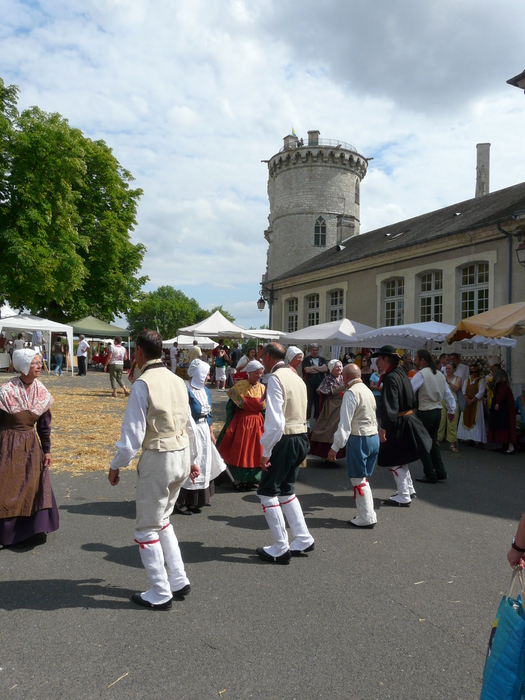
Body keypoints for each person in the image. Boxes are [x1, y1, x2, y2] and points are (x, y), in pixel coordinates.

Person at [108, 330, 200, 610]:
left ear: (137, 351)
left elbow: (132, 437)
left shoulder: (142, 383)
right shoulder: (177, 380)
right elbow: (189, 425)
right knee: (163, 519)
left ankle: (160, 591)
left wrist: (116, 464)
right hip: (182, 454)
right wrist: (194, 459)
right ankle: (178, 579)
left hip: (160, 458)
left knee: (147, 527)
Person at [257, 342, 314, 564]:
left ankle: (280, 547)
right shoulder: (297, 378)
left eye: (263, 357)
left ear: (270, 357)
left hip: (285, 438)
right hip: (301, 436)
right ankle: (302, 537)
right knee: (287, 491)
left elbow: (275, 422)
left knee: (267, 492)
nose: (262, 360)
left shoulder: (276, 379)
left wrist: (266, 451)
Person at [0, 349, 59, 548]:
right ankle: (7, 534)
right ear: (24, 366)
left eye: (39, 362)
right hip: (7, 446)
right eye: (34, 363)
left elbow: (44, 425)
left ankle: (30, 531)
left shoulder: (41, 392)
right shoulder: (6, 391)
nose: (39, 366)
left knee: (32, 486)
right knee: (7, 488)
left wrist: (47, 450)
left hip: (31, 447)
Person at [371, 345, 431, 507]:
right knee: (401, 457)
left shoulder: (391, 377)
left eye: (379, 359)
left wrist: (384, 428)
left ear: (386, 359)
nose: (377, 363)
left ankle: (404, 494)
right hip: (407, 418)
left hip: (398, 421)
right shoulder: (400, 373)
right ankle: (408, 489)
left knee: (393, 458)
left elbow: (391, 405)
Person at [327, 364, 380, 528]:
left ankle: (367, 517)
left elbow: (345, 425)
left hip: (360, 438)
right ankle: (367, 514)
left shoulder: (351, 393)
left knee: (358, 479)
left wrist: (334, 447)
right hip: (373, 436)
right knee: (362, 478)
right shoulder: (367, 390)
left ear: (346, 377)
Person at [175, 359, 226, 514]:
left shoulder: (206, 391)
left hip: (203, 431)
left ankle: (195, 501)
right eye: (207, 375)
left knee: (203, 463)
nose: (209, 378)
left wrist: (211, 432)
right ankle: (180, 501)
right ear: (199, 374)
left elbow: (209, 414)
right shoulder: (185, 389)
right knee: (191, 463)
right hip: (191, 430)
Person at [216, 360, 266, 490]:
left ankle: (252, 478)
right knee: (239, 451)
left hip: (258, 424)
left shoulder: (263, 388)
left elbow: (265, 410)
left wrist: (266, 425)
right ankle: (237, 479)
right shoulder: (239, 387)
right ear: (249, 372)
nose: (259, 375)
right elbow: (230, 408)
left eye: (261, 373)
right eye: (256, 373)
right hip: (242, 423)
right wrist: (229, 425)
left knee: (256, 452)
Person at [411, 349, 456, 484]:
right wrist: (451, 410)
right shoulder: (440, 375)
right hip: (437, 411)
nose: (415, 361)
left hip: (425, 411)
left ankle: (430, 473)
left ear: (423, 361)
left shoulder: (422, 374)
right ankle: (440, 471)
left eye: (417, 359)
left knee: (423, 443)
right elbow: (448, 394)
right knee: (433, 442)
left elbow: (410, 390)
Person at [309, 359, 346, 464]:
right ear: (331, 369)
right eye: (336, 367)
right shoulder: (328, 379)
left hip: (341, 406)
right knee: (328, 429)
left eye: (340, 366)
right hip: (330, 407)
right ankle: (325, 453)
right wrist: (338, 391)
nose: (339, 368)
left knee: (339, 429)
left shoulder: (343, 378)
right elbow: (322, 391)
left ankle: (336, 453)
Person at [487, 356, 517, 454]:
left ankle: (511, 446)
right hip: (499, 399)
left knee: (506, 422)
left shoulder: (501, 373)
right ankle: (500, 444)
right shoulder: (496, 373)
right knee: (498, 421)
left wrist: (498, 402)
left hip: (505, 402)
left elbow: (502, 388)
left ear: (493, 365)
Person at [456, 363, 487, 447]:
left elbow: (481, 392)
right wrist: (467, 400)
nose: (474, 374)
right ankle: (469, 438)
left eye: (475, 372)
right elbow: (463, 391)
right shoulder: (467, 380)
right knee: (466, 419)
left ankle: (478, 439)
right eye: (472, 372)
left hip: (477, 404)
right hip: (467, 403)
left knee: (477, 421)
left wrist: (472, 400)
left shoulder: (482, 381)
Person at [437, 361, 462, 452]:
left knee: (452, 423)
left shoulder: (458, 378)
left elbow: (456, 388)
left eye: (449, 369)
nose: (448, 370)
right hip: (442, 401)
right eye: (446, 368)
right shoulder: (441, 377)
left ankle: (452, 444)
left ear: (454, 369)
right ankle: (437, 441)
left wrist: (448, 382)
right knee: (441, 422)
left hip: (453, 402)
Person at [302, 344, 328, 421]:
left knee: (318, 402)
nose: (315, 352)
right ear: (310, 351)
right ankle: (308, 419)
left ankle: (318, 418)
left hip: (320, 384)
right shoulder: (306, 359)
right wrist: (320, 369)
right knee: (309, 401)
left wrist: (314, 367)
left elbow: (325, 369)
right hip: (309, 383)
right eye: (313, 350)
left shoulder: (322, 359)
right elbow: (307, 370)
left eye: (316, 350)